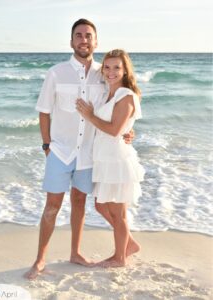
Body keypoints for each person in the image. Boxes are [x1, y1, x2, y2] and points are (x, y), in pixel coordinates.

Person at [24, 19, 135, 280]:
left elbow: (116, 107)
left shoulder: (104, 74)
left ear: (95, 41)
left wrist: (128, 130)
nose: (83, 40)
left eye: (88, 35)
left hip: (89, 153)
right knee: (52, 206)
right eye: (78, 35)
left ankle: (75, 253)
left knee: (79, 203)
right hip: (60, 151)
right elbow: (44, 111)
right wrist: (46, 145)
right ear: (71, 41)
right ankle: (40, 259)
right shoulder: (56, 72)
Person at [76, 49, 145, 267]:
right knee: (101, 206)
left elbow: (115, 130)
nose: (111, 71)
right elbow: (121, 128)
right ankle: (130, 243)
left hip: (116, 160)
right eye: (107, 67)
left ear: (125, 71)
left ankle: (120, 258)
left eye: (117, 67)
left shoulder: (126, 96)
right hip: (103, 158)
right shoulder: (109, 92)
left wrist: (89, 116)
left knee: (118, 212)